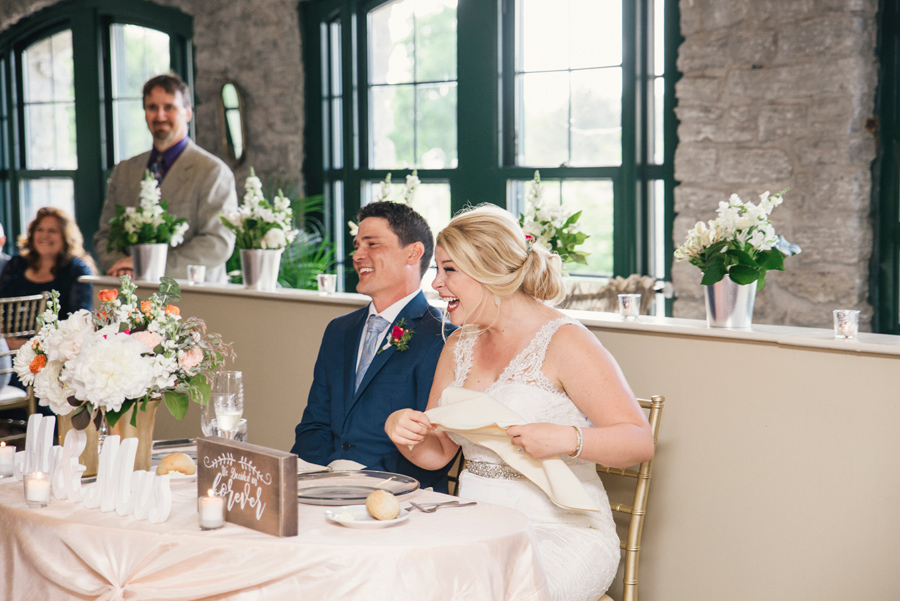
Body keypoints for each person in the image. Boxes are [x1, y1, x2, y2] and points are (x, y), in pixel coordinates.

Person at [385, 205, 655, 601]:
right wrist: (403, 431)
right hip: (477, 526)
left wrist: (567, 439)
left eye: (448, 270)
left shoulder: (566, 341)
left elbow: (638, 442)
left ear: (489, 271)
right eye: (436, 272)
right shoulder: (458, 345)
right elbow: (439, 452)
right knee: (397, 578)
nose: (437, 285)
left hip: (563, 532)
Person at [292, 201, 454, 491]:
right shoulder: (338, 330)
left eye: (372, 244)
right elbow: (314, 425)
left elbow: (431, 445)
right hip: (325, 487)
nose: (358, 256)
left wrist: (358, 481)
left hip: (398, 494)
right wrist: (308, 480)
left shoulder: (441, 337)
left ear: (413, 253)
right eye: (356, 246)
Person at [93, 73, 237, 282]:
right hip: (131, 297)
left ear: (187, 113)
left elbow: (217, 243)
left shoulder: (213, 172)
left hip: (194, 297)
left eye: (169, 107)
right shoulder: (124, 171)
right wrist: (121, 266)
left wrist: (148, 267)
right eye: (152, 107)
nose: (160, 116)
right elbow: (105, 235)